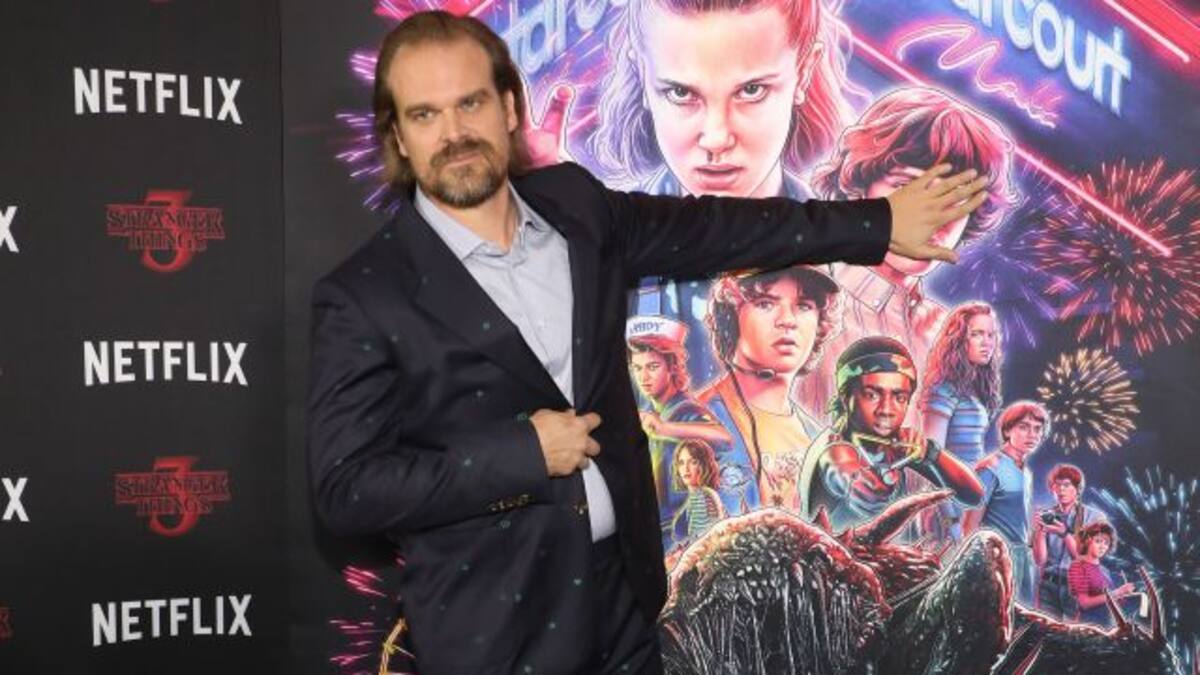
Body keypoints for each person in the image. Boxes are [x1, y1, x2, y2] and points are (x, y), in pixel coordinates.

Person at [306, 10, 988, 675]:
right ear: (397, 137)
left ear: (508, 107)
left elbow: (721, 229)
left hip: (629, 613)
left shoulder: (575, 206)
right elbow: (345, 490)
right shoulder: (366, 294)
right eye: (425, 114)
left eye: (470, 103)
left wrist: (879, 221)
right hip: (497, 635)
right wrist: (523, 454)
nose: (454, 133)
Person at [590, 0, 859, 385]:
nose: (716, 137)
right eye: (680, 93)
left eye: (751, 90)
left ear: (804, 71)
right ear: (642, 75)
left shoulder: (854, 266)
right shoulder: (603, 250)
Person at [799, 87, 1019, 424]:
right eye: (906, 188)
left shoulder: (949, 334)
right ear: (861, 187)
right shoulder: (804, 305)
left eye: (955, 200)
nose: (930, 217)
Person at [799, 336, 983, 533]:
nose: (886, 410)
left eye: (899, 397)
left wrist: (930, 453)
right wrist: (853, 478)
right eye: (872, 395)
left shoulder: (896, 446)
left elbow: (973, 496)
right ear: (846, 398)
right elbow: (838, 462)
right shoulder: (832, 447)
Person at [697, 265, 841, 514]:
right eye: (765, 303)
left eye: (804, 306)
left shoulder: (821, 440)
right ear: (730, 316)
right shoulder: (694, 422)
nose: (788, 320)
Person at [626, 316, 731, 549]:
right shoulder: (654, 412)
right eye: (637, 368)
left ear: (673, 367)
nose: (643, 377)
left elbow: (724, 438)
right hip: (656, 529)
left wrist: (665, 429)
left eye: (653, 367)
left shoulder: (685, 409)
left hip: (682, 532)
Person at [918, 301, 1003, 546]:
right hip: (949, 506)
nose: (987, 342)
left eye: (990, 335)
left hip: (969, 501)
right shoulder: (944, 388)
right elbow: (930, 458)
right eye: (977, 334)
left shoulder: (973, 388)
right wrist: (949, 519)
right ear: (958, 339)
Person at [962, 400, 1049, 605]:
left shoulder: (1026, 471)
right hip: (997, 558)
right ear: (1008, 430)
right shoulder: (990, 468)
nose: (1032, 435)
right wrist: (983, 567)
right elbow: (969, 526)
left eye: (1037, 429)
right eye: (1024, 427)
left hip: (1023, 558)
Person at [1033, 463, 1107, 619]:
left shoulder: (1094, 517)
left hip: (1077, 586)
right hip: (1048, 585)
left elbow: (1085, 557)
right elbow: (1040, 560)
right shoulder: (1048, 516)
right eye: (1057, 485)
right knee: (1045, 630)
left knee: (1076, 632)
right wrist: (1040, 531)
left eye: (1066, 485)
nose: (1061, 490)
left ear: (1077, 489)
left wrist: (1064, 534)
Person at [1068, 522, 1136, 627]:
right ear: (1088, 541)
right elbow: (1084, 603)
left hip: (1109, 625)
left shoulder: (1104, 570)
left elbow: (1109, 599)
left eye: (1106, 543)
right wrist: (1118, 592)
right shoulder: (1078, 566)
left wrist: (1124, 595)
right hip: (1089, 626)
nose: (1102, 547)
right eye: (1098, 541)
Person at [667, 440, 726, 549]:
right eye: (681, 463)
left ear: (704, 465)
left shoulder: (703, 495)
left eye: (693, 462)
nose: (686, 468)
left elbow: (706, 540)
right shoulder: (694, 497)